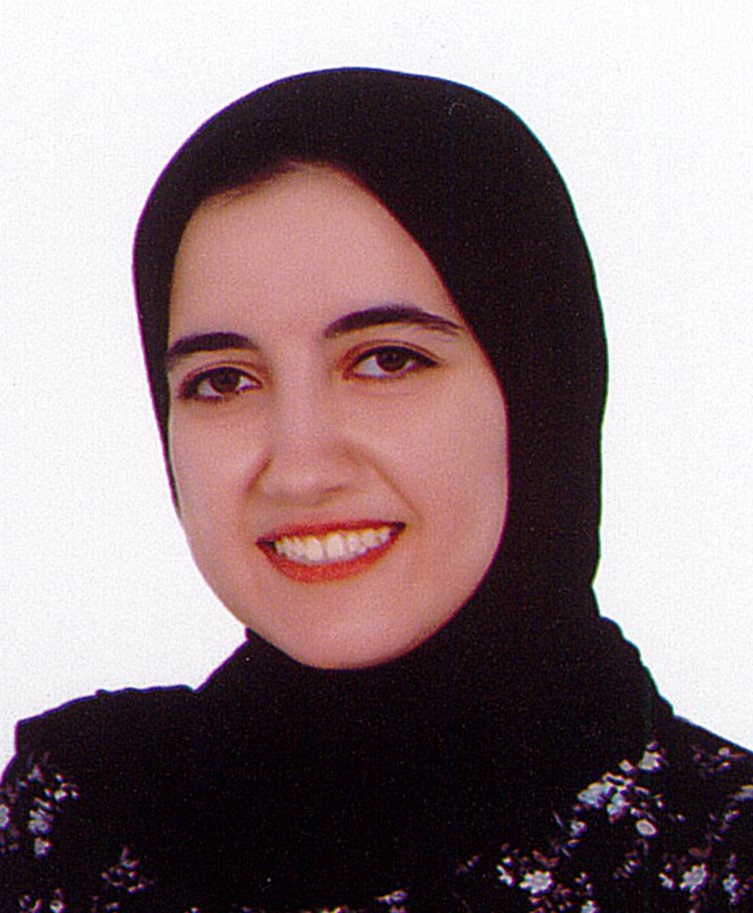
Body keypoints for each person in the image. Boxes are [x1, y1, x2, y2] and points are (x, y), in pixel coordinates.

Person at [1, 68, 751, 913]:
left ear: (543, 392)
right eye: (223, 380)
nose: (299, 468)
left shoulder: (721, 853)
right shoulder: (85, 820)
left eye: (387, 359)